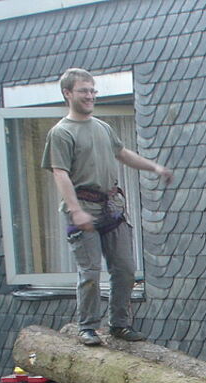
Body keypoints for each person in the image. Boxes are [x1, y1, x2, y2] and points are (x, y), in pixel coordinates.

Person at [41, 68, 173, 346]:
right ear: (68, 93)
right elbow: (60, 173)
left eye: (92, 91)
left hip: (111, 206)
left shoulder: (103, 128)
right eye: (84, 91)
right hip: (82, 206)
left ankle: (120, 325)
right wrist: (75, 210)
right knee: (90, 273)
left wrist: (154, 168)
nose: (90, 96)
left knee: (125, 268)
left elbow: (122, 154)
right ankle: (87, 327)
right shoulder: (61, 133)